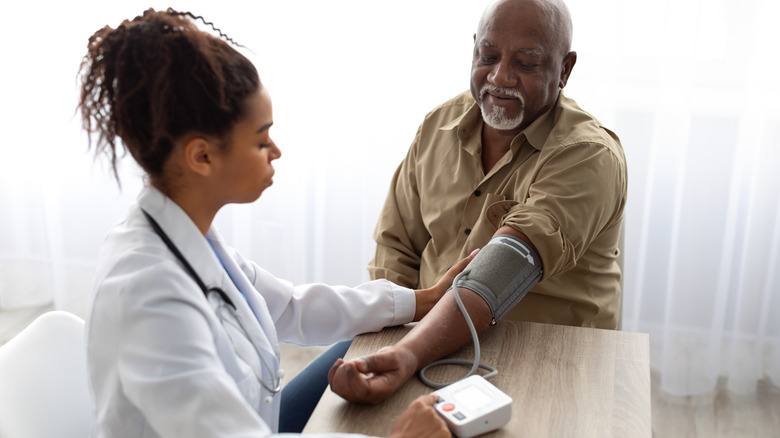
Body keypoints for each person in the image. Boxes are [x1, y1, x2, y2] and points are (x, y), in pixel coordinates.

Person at [78, 8, 471, 437]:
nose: (277, 151)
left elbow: (290, 307)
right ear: (202, 156)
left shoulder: (191, 236)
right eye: (261, 140)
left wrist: (423, 300)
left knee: (366, 342)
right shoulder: (148, 297)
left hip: (256, 419)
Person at [329, 0, 626, 404]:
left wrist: (408, 353)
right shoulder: (439, 124)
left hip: (545, 358)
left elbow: (503, 269)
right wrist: (390, 334)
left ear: (565, 70)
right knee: (295, 418)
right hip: (416, 334)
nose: (500, 76)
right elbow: (395, 245)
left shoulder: (588, 155)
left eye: (525, 63)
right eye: (488, 56)